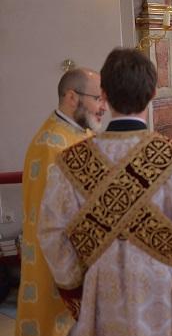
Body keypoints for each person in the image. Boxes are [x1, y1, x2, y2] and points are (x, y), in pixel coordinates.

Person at [38, 48, 172, 336]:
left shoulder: (70, 162)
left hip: (102, 297)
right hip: (168, 299)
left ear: (104, 95)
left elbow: (51, 235)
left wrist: (77, 292)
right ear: (153, 93)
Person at [17, 68, 106, 336]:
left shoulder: (79, 134)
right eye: (97, 99)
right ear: (71, 97)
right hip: (58, 269)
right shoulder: (51, 145)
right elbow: (53, 224)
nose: (103, 107)